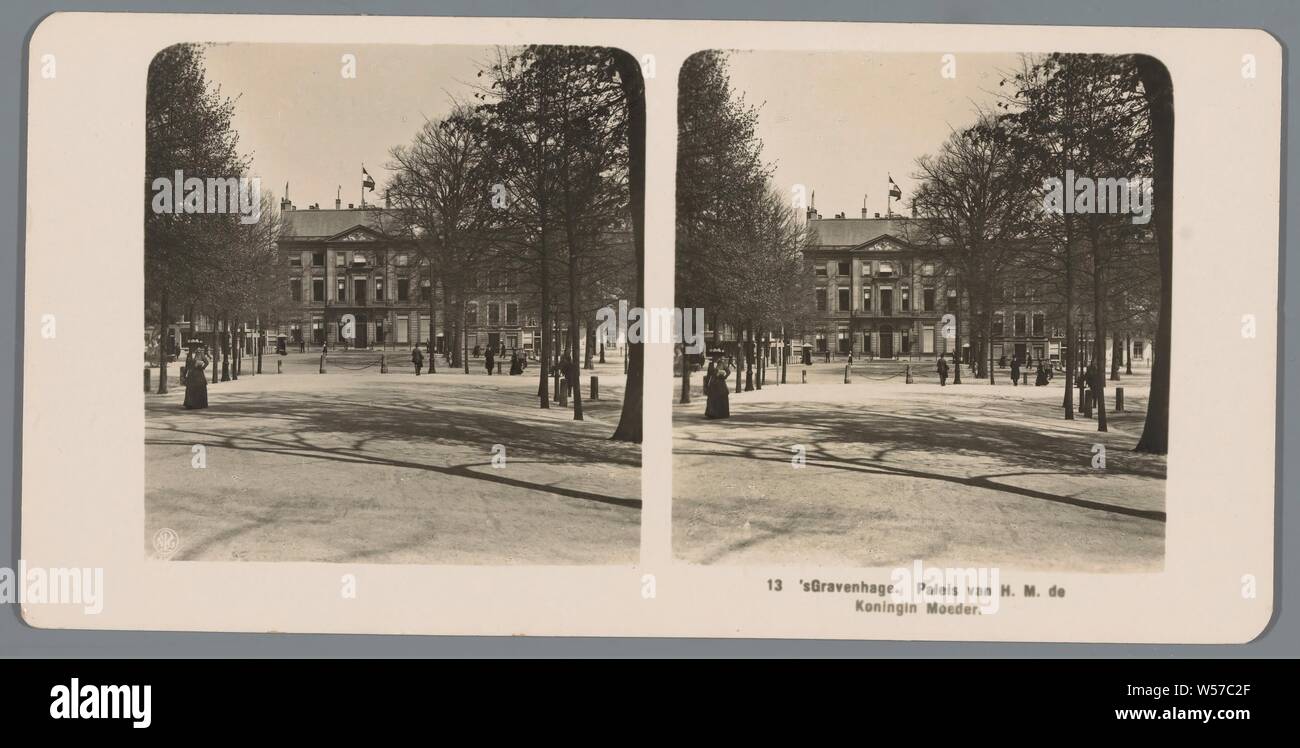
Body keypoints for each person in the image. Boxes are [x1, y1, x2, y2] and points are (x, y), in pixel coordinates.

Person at [704, 351, 732, 419]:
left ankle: (721, 414)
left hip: (720, 383)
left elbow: (728, 371)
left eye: (717, 356)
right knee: (712, 397)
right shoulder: (710, 364)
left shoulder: (722, 364)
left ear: (719, 357)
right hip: (713, 383)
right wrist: (706, 384)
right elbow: (708, 375)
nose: (715, 357)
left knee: (720, 397)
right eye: (714, 356)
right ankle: (711, 413)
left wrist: (724, 376)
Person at [183, 346, 210, 410]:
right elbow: (186, 365)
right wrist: (184, 374)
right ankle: (190, 404)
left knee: (199, 388)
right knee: (190, 389)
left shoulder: (200, 354)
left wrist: (202, 367)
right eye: (192, 347)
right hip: (191, 374)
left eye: (195, 347)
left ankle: (199, 404)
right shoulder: (189, 355)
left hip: (199, 374)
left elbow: (207, 362)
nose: (194, 349)